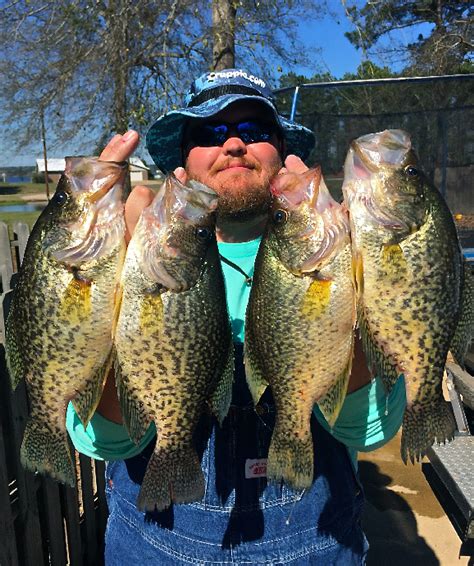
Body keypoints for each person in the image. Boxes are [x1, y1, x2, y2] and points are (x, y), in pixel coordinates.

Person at [66, 68, 407, 564]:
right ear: (181, 161)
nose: (232, 144)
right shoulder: (127, 250)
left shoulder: (345, 249)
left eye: (253, 131)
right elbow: (108, 439)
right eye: (208, 133)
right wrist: (106, 274)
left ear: (281, 150)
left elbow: (369, 428)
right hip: (152, 540)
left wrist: (351, 298)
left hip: (312, 542)